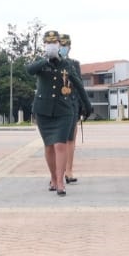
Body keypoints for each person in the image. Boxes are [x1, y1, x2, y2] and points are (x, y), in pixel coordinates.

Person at [28, 30, 90, 197]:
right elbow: (29, 70)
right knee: (49, 146)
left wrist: (87, 106)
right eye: (48, 43)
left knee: (60, 145)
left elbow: (78, 85)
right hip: (43, 111)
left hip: (64, 110)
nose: (52, 46)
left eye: (54, 43)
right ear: (44, 45)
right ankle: (53, 177)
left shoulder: (67, 64)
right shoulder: (41, 63)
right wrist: (45, 59)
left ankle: (61, 181)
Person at [59, 34, 91, 184]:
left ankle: (69, 170)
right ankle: (57, 173)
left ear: (69, 47)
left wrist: (81, 107)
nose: (64, 48)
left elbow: (79, 87)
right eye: (61, 45)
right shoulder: (50, 63)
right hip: (56, 105)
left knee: (70, 139)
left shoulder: (74, 64)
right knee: (57, 141)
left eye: (66, 46)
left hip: (71, 104)